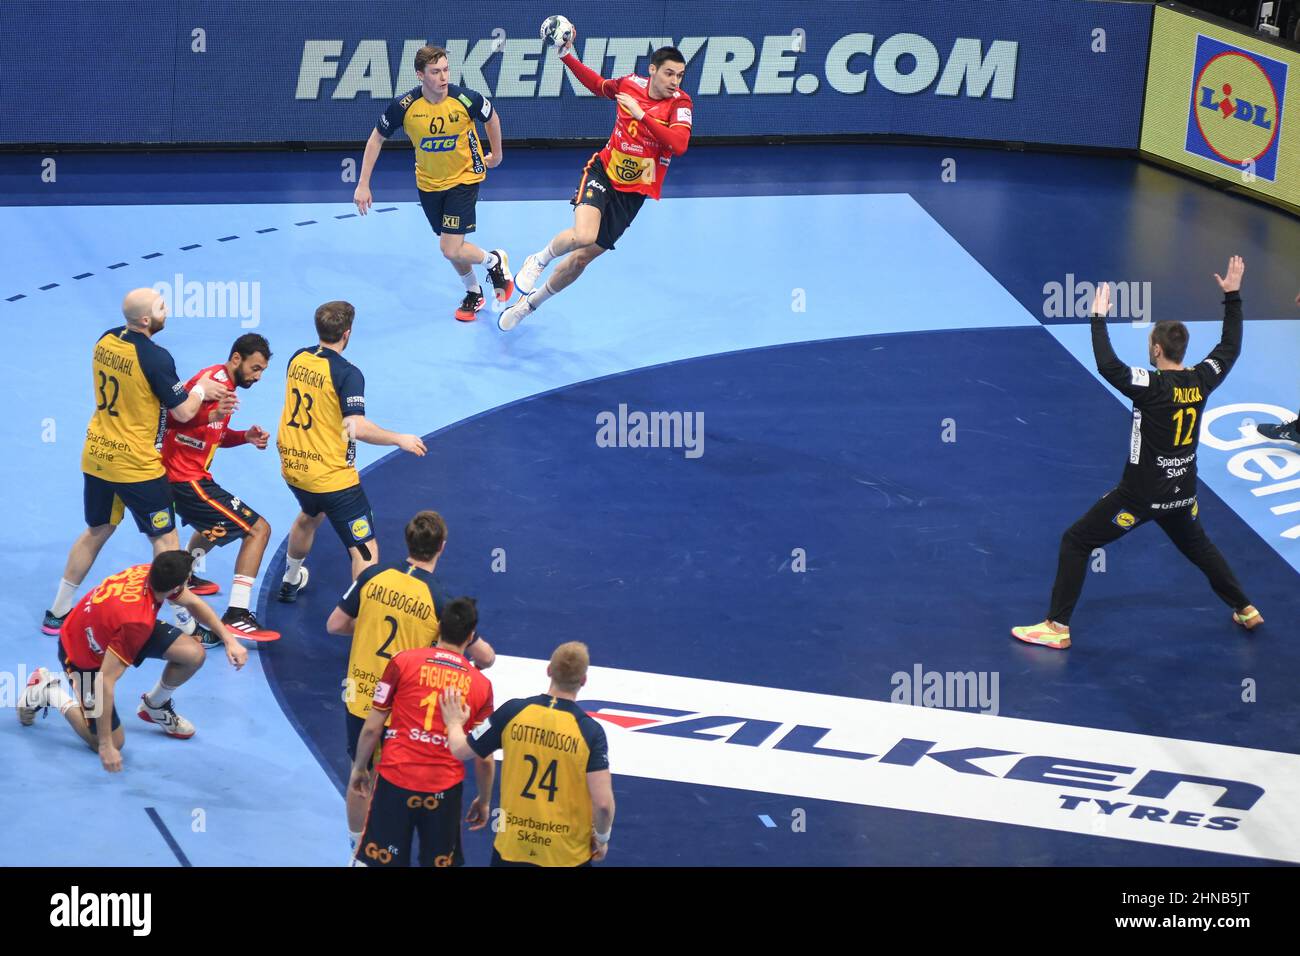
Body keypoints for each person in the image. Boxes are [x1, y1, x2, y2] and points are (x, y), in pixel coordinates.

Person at [1012, 259, 1263, 649]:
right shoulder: (1202, 378)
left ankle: (1057, 627)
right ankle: (1245, 607)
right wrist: (1232, 296)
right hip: (1182, 493)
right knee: (1199, 547)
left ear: (1158, 349)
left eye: (1149, 343)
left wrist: (1097, 318)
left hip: (1140, 495)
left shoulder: (1150, 385)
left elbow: (1108, 366)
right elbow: (1229, 348)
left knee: (1076, 541)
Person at [43, 288, 233, 635]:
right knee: (166, 542)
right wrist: (202, 389)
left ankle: (57, 612)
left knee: (97, 529)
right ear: (146, 320)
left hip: (97, 454)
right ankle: (187, 626)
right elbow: (185, 410)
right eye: (161, 307)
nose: (167, 310)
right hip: (135, 465)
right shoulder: (157, 358)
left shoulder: (106, 340)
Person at [325, 509, 496, 852]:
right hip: (402, 707)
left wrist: (369, 626)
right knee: (396, 784)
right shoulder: (440, 598)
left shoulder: (373, 575)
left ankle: (356, 850)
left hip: (360, 697)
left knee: (360, 776)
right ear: (442, 547)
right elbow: (486, 657)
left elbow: (335, 625)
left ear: (407, 541)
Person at [498, 42, 692, 332]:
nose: (674, 82)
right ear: (652, 70)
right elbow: (597, 84)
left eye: (679, 75)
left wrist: (641, 115)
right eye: (669, 74)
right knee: (583, 235)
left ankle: (528, 306)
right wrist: (566, 56)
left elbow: (678, 145)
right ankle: (539, 259)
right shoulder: (629, 84)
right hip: (603, 172)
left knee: (580, 261)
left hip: (634, 194)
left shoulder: (680, 104)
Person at [17, 552, 248, 773]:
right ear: (176, 586)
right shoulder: (137, 622)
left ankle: (154, 706)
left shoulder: (149, 572)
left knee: (193, 654)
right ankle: (49, 691)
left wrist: (229, 640)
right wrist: (106, 745)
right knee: (112, 742)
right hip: (80, 653)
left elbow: (194, 603)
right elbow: (104, 682)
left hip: (115, 628)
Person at [276, 301, 427, 598]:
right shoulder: (348, 374)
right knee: (365, 551)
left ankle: (291, 578)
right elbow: (354, 426)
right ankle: (359, 617)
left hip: (294, 468)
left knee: (309, 516)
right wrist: (399, 439)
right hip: (331, 478)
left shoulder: (297, 359)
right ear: (347, 333)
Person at [353, 44, 513, 322]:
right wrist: (363, 183)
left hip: (465, 177)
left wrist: (496, 155)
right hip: (428, 183)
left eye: (446, 70)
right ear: (420, 74)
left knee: (449, 248)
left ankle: (494, 261)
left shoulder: (465, 99)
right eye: (435, 71)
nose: (443, 77)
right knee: (453, 244)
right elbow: (376, 138)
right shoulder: (405, 107)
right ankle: (474, 292)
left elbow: (492, 118)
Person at [348, 597, 494, 867]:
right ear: (471, 636)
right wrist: (484, 800)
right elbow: (484, 757)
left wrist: (359, 767)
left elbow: (373, 725)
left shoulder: (403, 662)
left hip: (395, 780)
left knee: (378, 861)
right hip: (444, 791)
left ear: (438, 627)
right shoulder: (481, 685)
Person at [441, 641, 615, 867]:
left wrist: (454, 723)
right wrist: (601, 838)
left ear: (549, 671)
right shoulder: (590, 732)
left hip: (513, 847)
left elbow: (460, 750)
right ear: (583, 680)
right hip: (565, 854)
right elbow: (603, 804)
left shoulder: (513, 712)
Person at [163, 333, 279, 642]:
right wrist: (210, 411)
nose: (258, 377)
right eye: (255, 368)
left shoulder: (226, 385)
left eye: (263, 371)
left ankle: (185, 572)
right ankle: (237, 614)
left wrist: (245, 437)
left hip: (193, 476)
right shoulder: (210, 382)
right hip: (184, 479)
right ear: (237, 359)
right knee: (259, 529)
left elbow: (212, 432)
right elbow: (171, 419)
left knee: (216, 523)